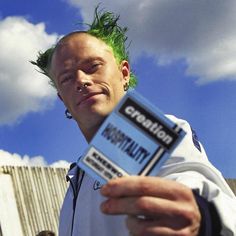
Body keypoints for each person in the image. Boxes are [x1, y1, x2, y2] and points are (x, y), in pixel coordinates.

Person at [31, 7, 236, 236]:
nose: (81, 80)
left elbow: (192, 180)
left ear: (124, 73)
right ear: (62, 98)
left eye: (93, 67)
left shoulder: (149, 131)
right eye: (67, 78)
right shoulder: (78, 178)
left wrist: (202, 217)